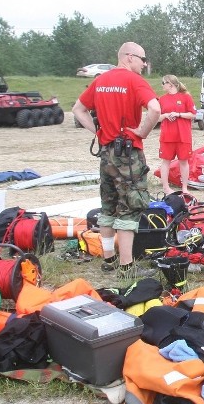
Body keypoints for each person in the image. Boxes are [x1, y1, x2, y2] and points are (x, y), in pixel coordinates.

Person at [72, 42, 161, 279]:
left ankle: (109, 258)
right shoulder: (134, 80)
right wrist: (141, 132)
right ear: (130, 57)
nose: (144, 63)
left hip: (106, 151)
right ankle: (126, 266)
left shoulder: (100, 81)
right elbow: (155, 108)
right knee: (130, 205)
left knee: (108, 204)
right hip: (128, 153)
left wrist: (97, 132)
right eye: (143, 58)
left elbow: (78, 109)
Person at [158, 74, 196, 195]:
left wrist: (178, 114)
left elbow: (192, 114)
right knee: (166, 161)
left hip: (183, 135)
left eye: (163, 83)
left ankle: (185, 187)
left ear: (170, 84)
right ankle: (165, 187)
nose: (162, 85)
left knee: (184, 161)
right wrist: (165, 115)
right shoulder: (162, 99)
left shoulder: (186, 97)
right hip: (167, 136)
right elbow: (156, 117)